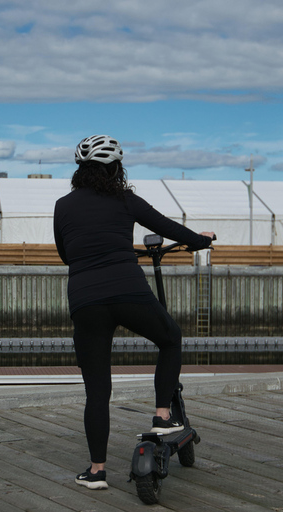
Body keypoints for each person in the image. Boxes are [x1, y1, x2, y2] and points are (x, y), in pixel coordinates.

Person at [53, 134, 214, 490]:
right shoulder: (125, 200)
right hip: (128, 291)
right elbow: (167, 227)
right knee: (170, 338)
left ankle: (96, 471)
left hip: (85, 302)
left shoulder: (62, 206)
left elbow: (66, 254)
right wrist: (201, 240)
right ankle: (161, 416)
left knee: (97, 391)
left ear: (79, 170)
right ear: (116, 169)